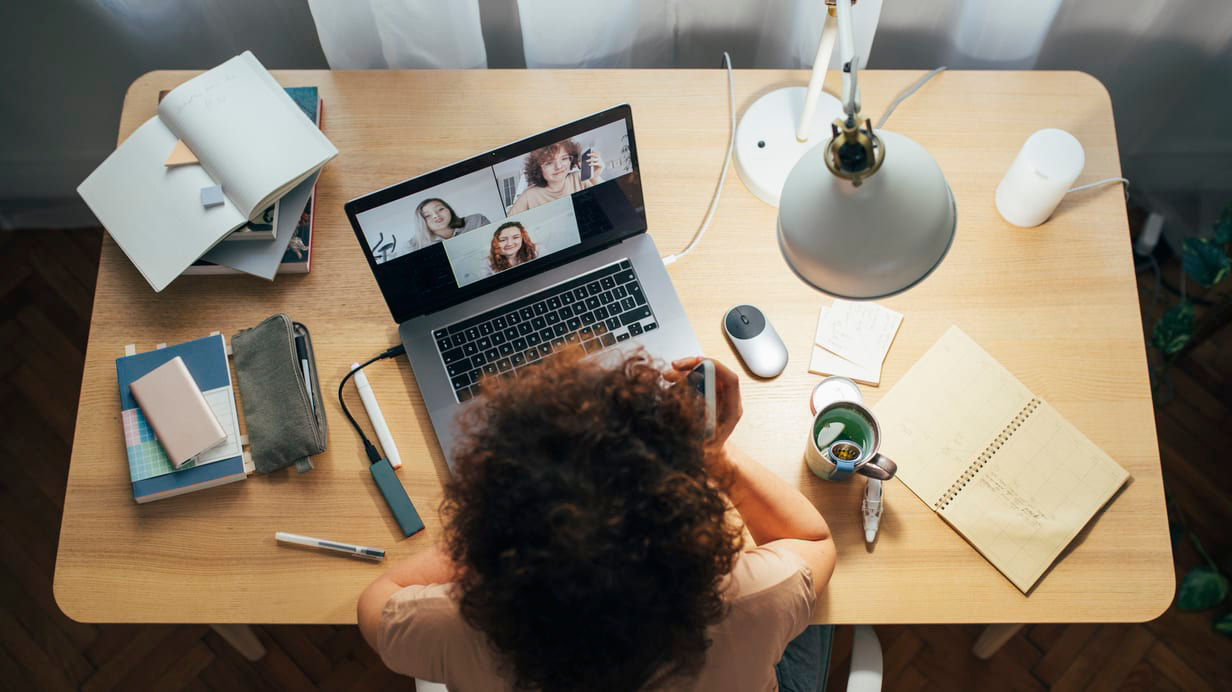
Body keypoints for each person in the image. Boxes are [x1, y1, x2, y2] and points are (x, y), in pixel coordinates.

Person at [357, 349, 838, 692]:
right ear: (689, 528)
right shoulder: (754, 599)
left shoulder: (454, 627)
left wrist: (487, 531)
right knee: (823, 613)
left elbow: (375, 603)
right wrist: (713, 454)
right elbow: (812, 539)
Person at [507, 138, 603, 214]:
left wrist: (595, 178)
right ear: (538, 169)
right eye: (549, 163)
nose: (559, 166)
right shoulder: (529, 196)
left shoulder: (580, 178)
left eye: (564, 158)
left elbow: (610, 204)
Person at [414, 197, 489, 248]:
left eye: (440, 209)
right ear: (421, 222)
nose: (435, 215)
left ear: (449, 210)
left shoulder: (477, 220)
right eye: (427, 215)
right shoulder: (414, 245)